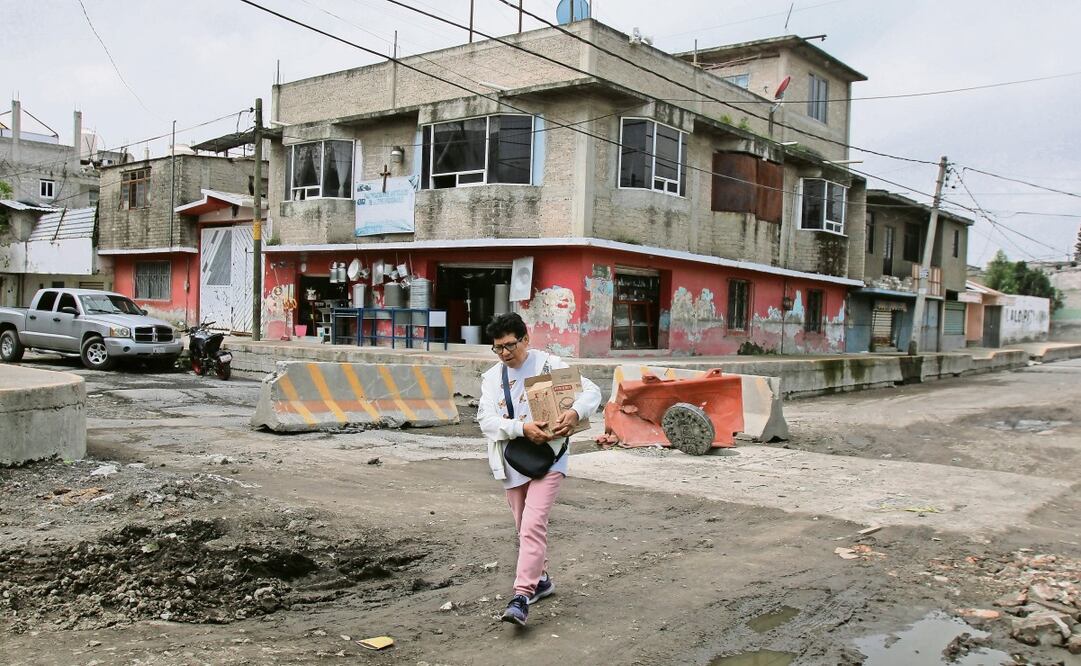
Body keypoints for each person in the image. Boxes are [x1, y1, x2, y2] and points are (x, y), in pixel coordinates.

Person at [477, 312, 602, 626]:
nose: (504, 353)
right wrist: (522, 428)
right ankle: (541, 580)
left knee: (532, 525)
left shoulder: (549, 365)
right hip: (514, 460)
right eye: (498, 347)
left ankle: (521, 597)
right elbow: (486, 420)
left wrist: (575, 412)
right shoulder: (492, 378)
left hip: (551, 457)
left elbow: (592, 392)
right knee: (523, 527)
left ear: (525, 339)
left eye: (510, 345)